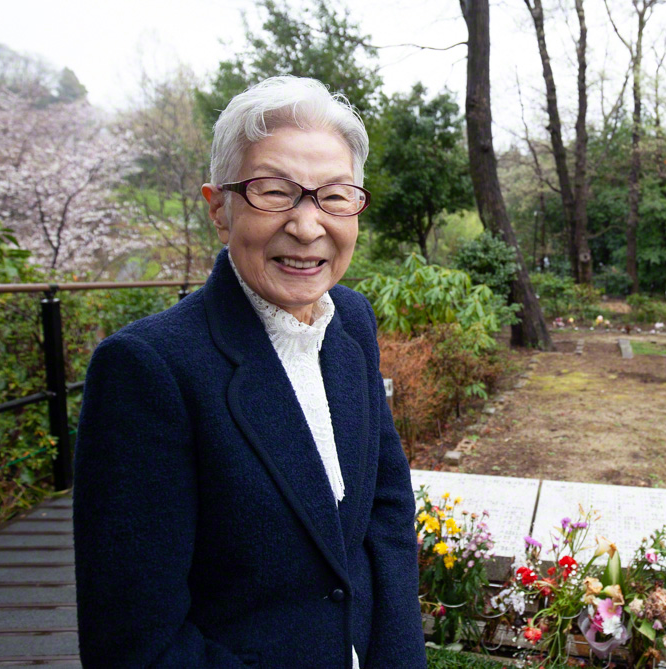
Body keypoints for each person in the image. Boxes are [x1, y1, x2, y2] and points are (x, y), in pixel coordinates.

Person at [73, 76, 426, 668]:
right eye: (274, 192)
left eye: (335, 196)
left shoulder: (351, 324)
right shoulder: (150, 371)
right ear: (220, 208)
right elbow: (135, 644)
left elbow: (385, 509)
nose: (309, 226)